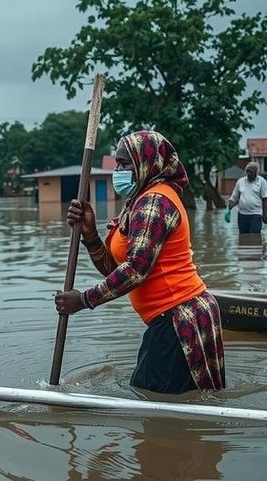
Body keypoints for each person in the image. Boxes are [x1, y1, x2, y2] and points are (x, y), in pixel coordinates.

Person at [55, 130, 225, 394]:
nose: (118, 170)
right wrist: (90, 235)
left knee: (155, 407)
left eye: (125, 164)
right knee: (163, 401)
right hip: (174, 318)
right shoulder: (138, 202)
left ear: (146, 164)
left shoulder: (154, 202)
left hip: (179, 318)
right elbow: (116, 269)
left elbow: (136, 270)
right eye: (117, 163)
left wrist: (84, 300)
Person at [227, 162, 267, 234]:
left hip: (256, 214)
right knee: (243, 236)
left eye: (251, 172)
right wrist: (229, 208)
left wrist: (265, 215)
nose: (248, 173)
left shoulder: (262, 182)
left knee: (254, 235)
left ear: (256, 173)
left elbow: (265, 200)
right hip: (242, 215)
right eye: (247, 171)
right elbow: (234, 198)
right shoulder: (240, 181)